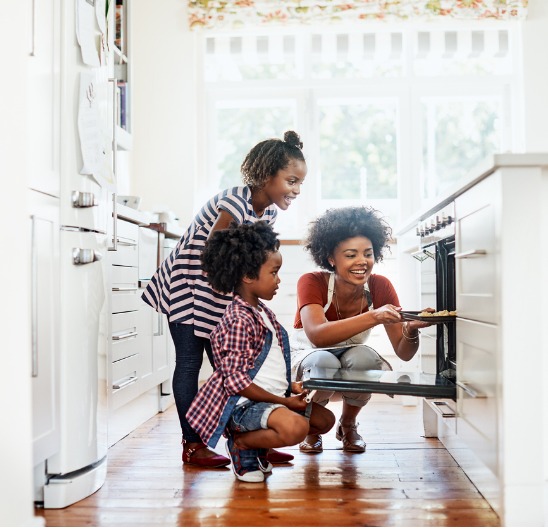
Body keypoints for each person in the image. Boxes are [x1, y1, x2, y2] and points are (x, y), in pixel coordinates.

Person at [142, 131, 307, 468]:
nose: (296, 190)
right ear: (266, 175)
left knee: (231, 367)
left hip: (223, 291)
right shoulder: (235, 201)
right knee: (189, 362)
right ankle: (193, 444)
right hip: (190, 285)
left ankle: (248, 437)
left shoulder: (269, 215)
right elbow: (216, 250)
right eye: (291, 180)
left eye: (299, 183)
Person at [186, 222, 335, 482]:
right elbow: (235, 381)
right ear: (247, 276)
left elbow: (264, 366)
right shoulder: (238, 319)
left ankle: (259, 449)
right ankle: (242, 444)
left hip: (267, 400)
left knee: (324, 420)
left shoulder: (262, 312)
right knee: (297, 428)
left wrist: (290, 386)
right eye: (274, 273)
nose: (279, 280)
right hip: (244, 406)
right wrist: (285, 402)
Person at [290, 206, 433, 454]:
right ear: (331, 258)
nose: (361, 262)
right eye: (350, 254)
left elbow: (404, 352)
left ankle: (348, 424)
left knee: (365, 356)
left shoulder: (379, 286)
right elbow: (317, 335)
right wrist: (374, 316)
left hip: (349, 358)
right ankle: (312, 428)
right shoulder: (312, 281)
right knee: (323, 359)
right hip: (309, 355)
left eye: (368, 254)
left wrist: (410, 329)